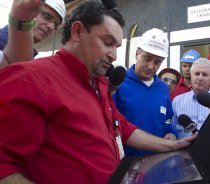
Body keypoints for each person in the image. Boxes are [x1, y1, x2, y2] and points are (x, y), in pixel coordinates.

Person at [0, 2, 197, 184]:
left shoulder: (100, 84)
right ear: (77, 31)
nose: (114, 55)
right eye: (107, 42)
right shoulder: (31, 78)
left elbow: (123, 128)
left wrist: (172, 145)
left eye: (116, 46)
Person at [113, 28, 177, 156]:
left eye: (157, 62)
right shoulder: (118, 83)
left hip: (157, 160)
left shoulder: (163, 89)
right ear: (137, 54)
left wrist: (171, 133)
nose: (150, 66)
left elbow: (167, 120)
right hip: (126, 164)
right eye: (147, 58)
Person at [0, 0, 66, 69]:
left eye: (55, 25)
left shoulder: (33, 55)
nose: (51, 27)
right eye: (47, 17)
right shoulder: (2, 40)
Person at [171, 26, 210, 100]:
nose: (187, 69)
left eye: (190, 66)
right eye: (184, 66)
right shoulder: (174, 86)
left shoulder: (203, 80)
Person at [171, 58, 210, 138]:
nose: (200, 78)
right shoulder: (177, 101)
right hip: (183, 149)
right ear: (191, 76)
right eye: (196, 74)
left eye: (205, 74)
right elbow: (171, 128)